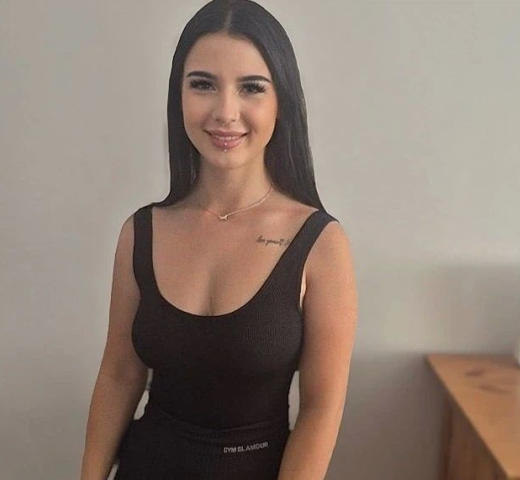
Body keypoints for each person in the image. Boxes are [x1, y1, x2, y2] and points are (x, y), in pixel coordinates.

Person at [80, 0, 358, 478]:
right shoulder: (141, 232)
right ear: (179, 96)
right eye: (203, 84)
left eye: (251, 87)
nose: (226, 112)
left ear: (281, 101)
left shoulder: (320, 244)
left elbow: (321, 408)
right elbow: (120, 374)